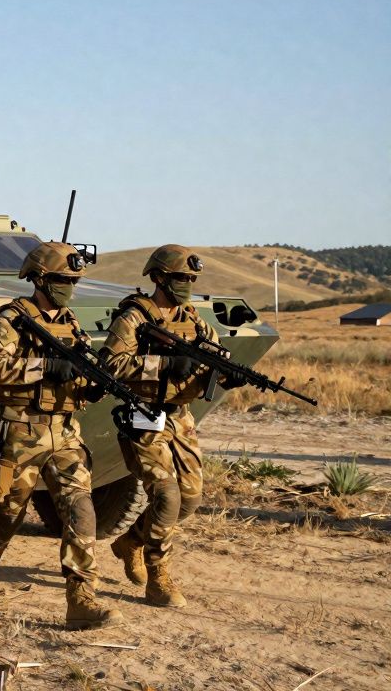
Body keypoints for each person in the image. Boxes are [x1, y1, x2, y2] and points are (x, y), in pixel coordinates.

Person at [0, 241, 122, 631]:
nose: (68, 286)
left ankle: (81, 598)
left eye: (73, 280)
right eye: (60, 279)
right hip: (21, 429)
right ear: (38, 278)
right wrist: (46, 367)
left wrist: (90, 386)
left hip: (65, 431)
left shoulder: (70, 322)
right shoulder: (11, 321)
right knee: (9, 513)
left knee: (81, 509)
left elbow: (79, 370)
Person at [99, 244, 245, 608]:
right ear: (159, 277)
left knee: (189, 500)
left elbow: (213, 352)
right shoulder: (134, 318)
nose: (188, 284)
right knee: (166, 494)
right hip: (143, 417)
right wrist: (163, 366)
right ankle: (158, 575)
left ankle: (131, 540)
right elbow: (109, 366)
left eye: (192, 278)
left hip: (180, 418)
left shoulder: (193, 318)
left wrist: (226, 372)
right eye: (182, 277)